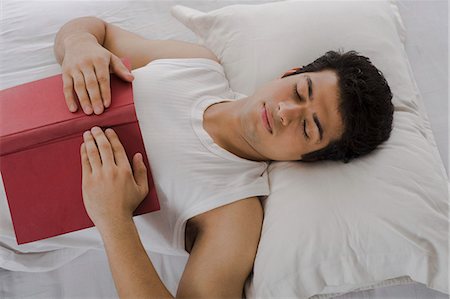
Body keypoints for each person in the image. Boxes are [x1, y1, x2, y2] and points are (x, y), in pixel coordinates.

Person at [54, 16, 394, 298]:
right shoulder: (195, 64)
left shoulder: (235, 214)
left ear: (309, 158)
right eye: (299, 92)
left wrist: (115, 220)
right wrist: (79, 46)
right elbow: (93, 28)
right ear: (289, 74)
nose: (285, 112)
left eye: (308, 129)